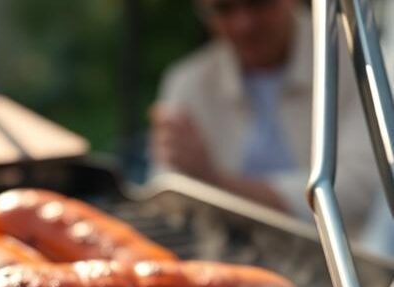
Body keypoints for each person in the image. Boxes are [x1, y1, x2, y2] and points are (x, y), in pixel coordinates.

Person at [149, 0, 380, 243]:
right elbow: (169, 200)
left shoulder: (356, 66)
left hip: (336, 267)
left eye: (259, 4)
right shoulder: (188, 82)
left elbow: (357, 189)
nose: (244, 25)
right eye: (223, 9)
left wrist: (213, 181)